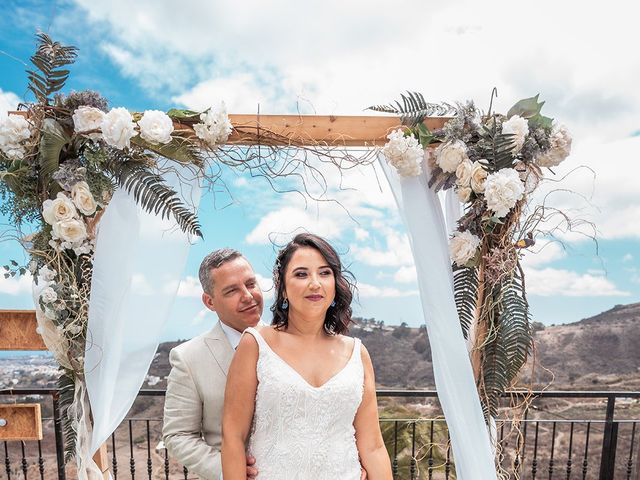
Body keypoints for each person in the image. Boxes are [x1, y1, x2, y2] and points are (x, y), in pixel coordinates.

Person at [222, 233, 392, 480]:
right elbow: (233, 437)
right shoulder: (256, 345)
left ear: (335, 283)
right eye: (301, 274)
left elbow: (373, 445)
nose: (315, 283)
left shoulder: (357, 353)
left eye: (324, 273)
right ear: (283, 287)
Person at [163, 248, 262, 479]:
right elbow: (178, 434)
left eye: (251, 284)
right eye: (232, 291)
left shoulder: (290, 342)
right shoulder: (188, 358)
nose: (247, 295)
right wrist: (228, 469)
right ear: (210, 302)